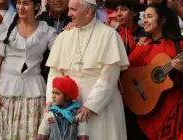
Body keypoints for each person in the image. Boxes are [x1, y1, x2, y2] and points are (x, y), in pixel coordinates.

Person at [45, 0, 129, 139]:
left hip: (101, 105)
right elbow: (54, 72)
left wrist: (91, 105)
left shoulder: (109, 35)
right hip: (67, 106)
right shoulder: (64, 36)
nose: (69, 13)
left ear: (88, 12)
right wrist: (51, 100)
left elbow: (109, 76)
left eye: (73, 10)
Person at [128, 3, 183, 139]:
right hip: (146, 109)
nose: (144, 20)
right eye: (144, 16)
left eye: (150, 16)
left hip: (174, 111)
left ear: (163, 20)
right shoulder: (143, 45)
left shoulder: (179, 45)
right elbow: (128, 74)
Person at [0, 0, 57, 139]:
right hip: (5, 91)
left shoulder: (47, 31)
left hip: (33, 92)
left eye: (26, 3)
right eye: (18, 3)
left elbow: (59, 55)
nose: (21, 7)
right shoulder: (6, 29)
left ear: (37, 6)